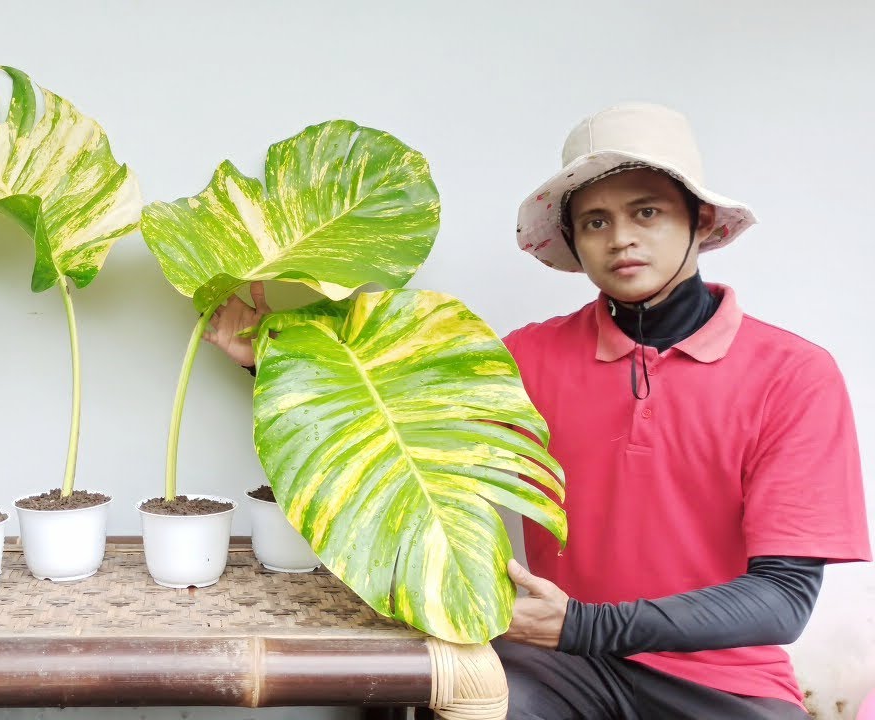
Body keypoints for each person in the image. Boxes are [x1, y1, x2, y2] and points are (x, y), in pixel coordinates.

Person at [202, 103, 870, 719]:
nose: (621, 240)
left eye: (647, 212)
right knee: (459, 700)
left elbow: (783, 600)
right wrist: (264, 352)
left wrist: (587, 623)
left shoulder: (794, 375)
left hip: (723, 680)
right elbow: (395, 418)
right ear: (574, 243)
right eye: (595, 222)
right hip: (558, 668)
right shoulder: (527, 357)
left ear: (698, 220)